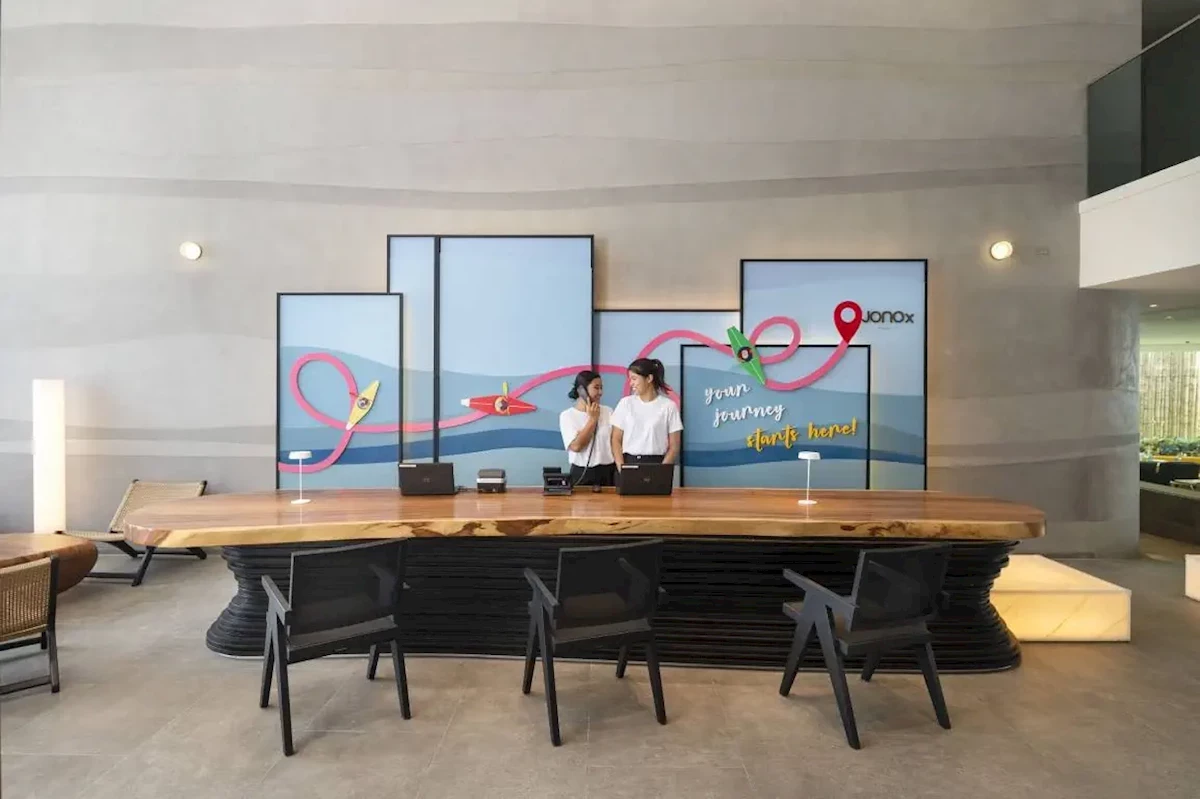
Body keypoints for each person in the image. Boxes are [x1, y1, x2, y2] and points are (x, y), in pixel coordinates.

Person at [611, 358, 683, 471]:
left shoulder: (669, 406)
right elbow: (616, 440)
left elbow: (674, 446)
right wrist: (621, 468)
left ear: (649, 378)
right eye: (630, 379)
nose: (631, 384)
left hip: (657, 464)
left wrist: (661, 471)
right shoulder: (625, 403)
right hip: (629, 463)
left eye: (634, 379)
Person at [558, 369, 616, 486]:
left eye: (601, 388)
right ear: (581, 390)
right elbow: (576, 446)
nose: (600, 392)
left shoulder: (608, 412)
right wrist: (593, 419)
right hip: (582, 472)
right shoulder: (567, 416)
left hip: (608, 471)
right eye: (596, 388)